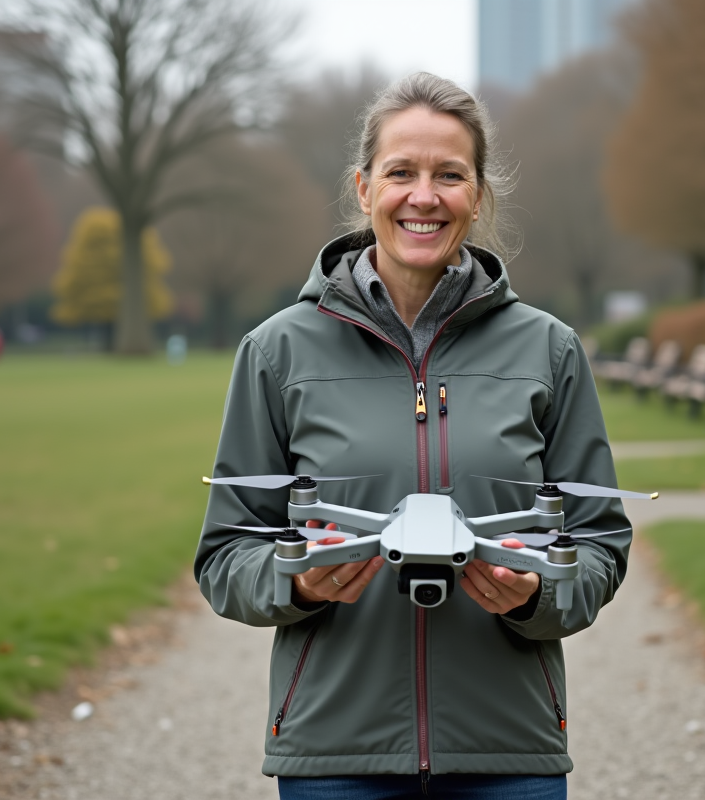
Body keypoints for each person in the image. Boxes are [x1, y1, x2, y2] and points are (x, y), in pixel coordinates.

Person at [195, 73, 631, 800]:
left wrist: (534, 597)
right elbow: (224, 554)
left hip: (509, 757)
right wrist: (295, 581)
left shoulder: (549, 351)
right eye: (402, 172)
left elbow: (599, 545)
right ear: (365, 189)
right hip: (336, 760)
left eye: (449, 175)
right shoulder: (276, 353)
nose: (423, 196)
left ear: (479, 195)